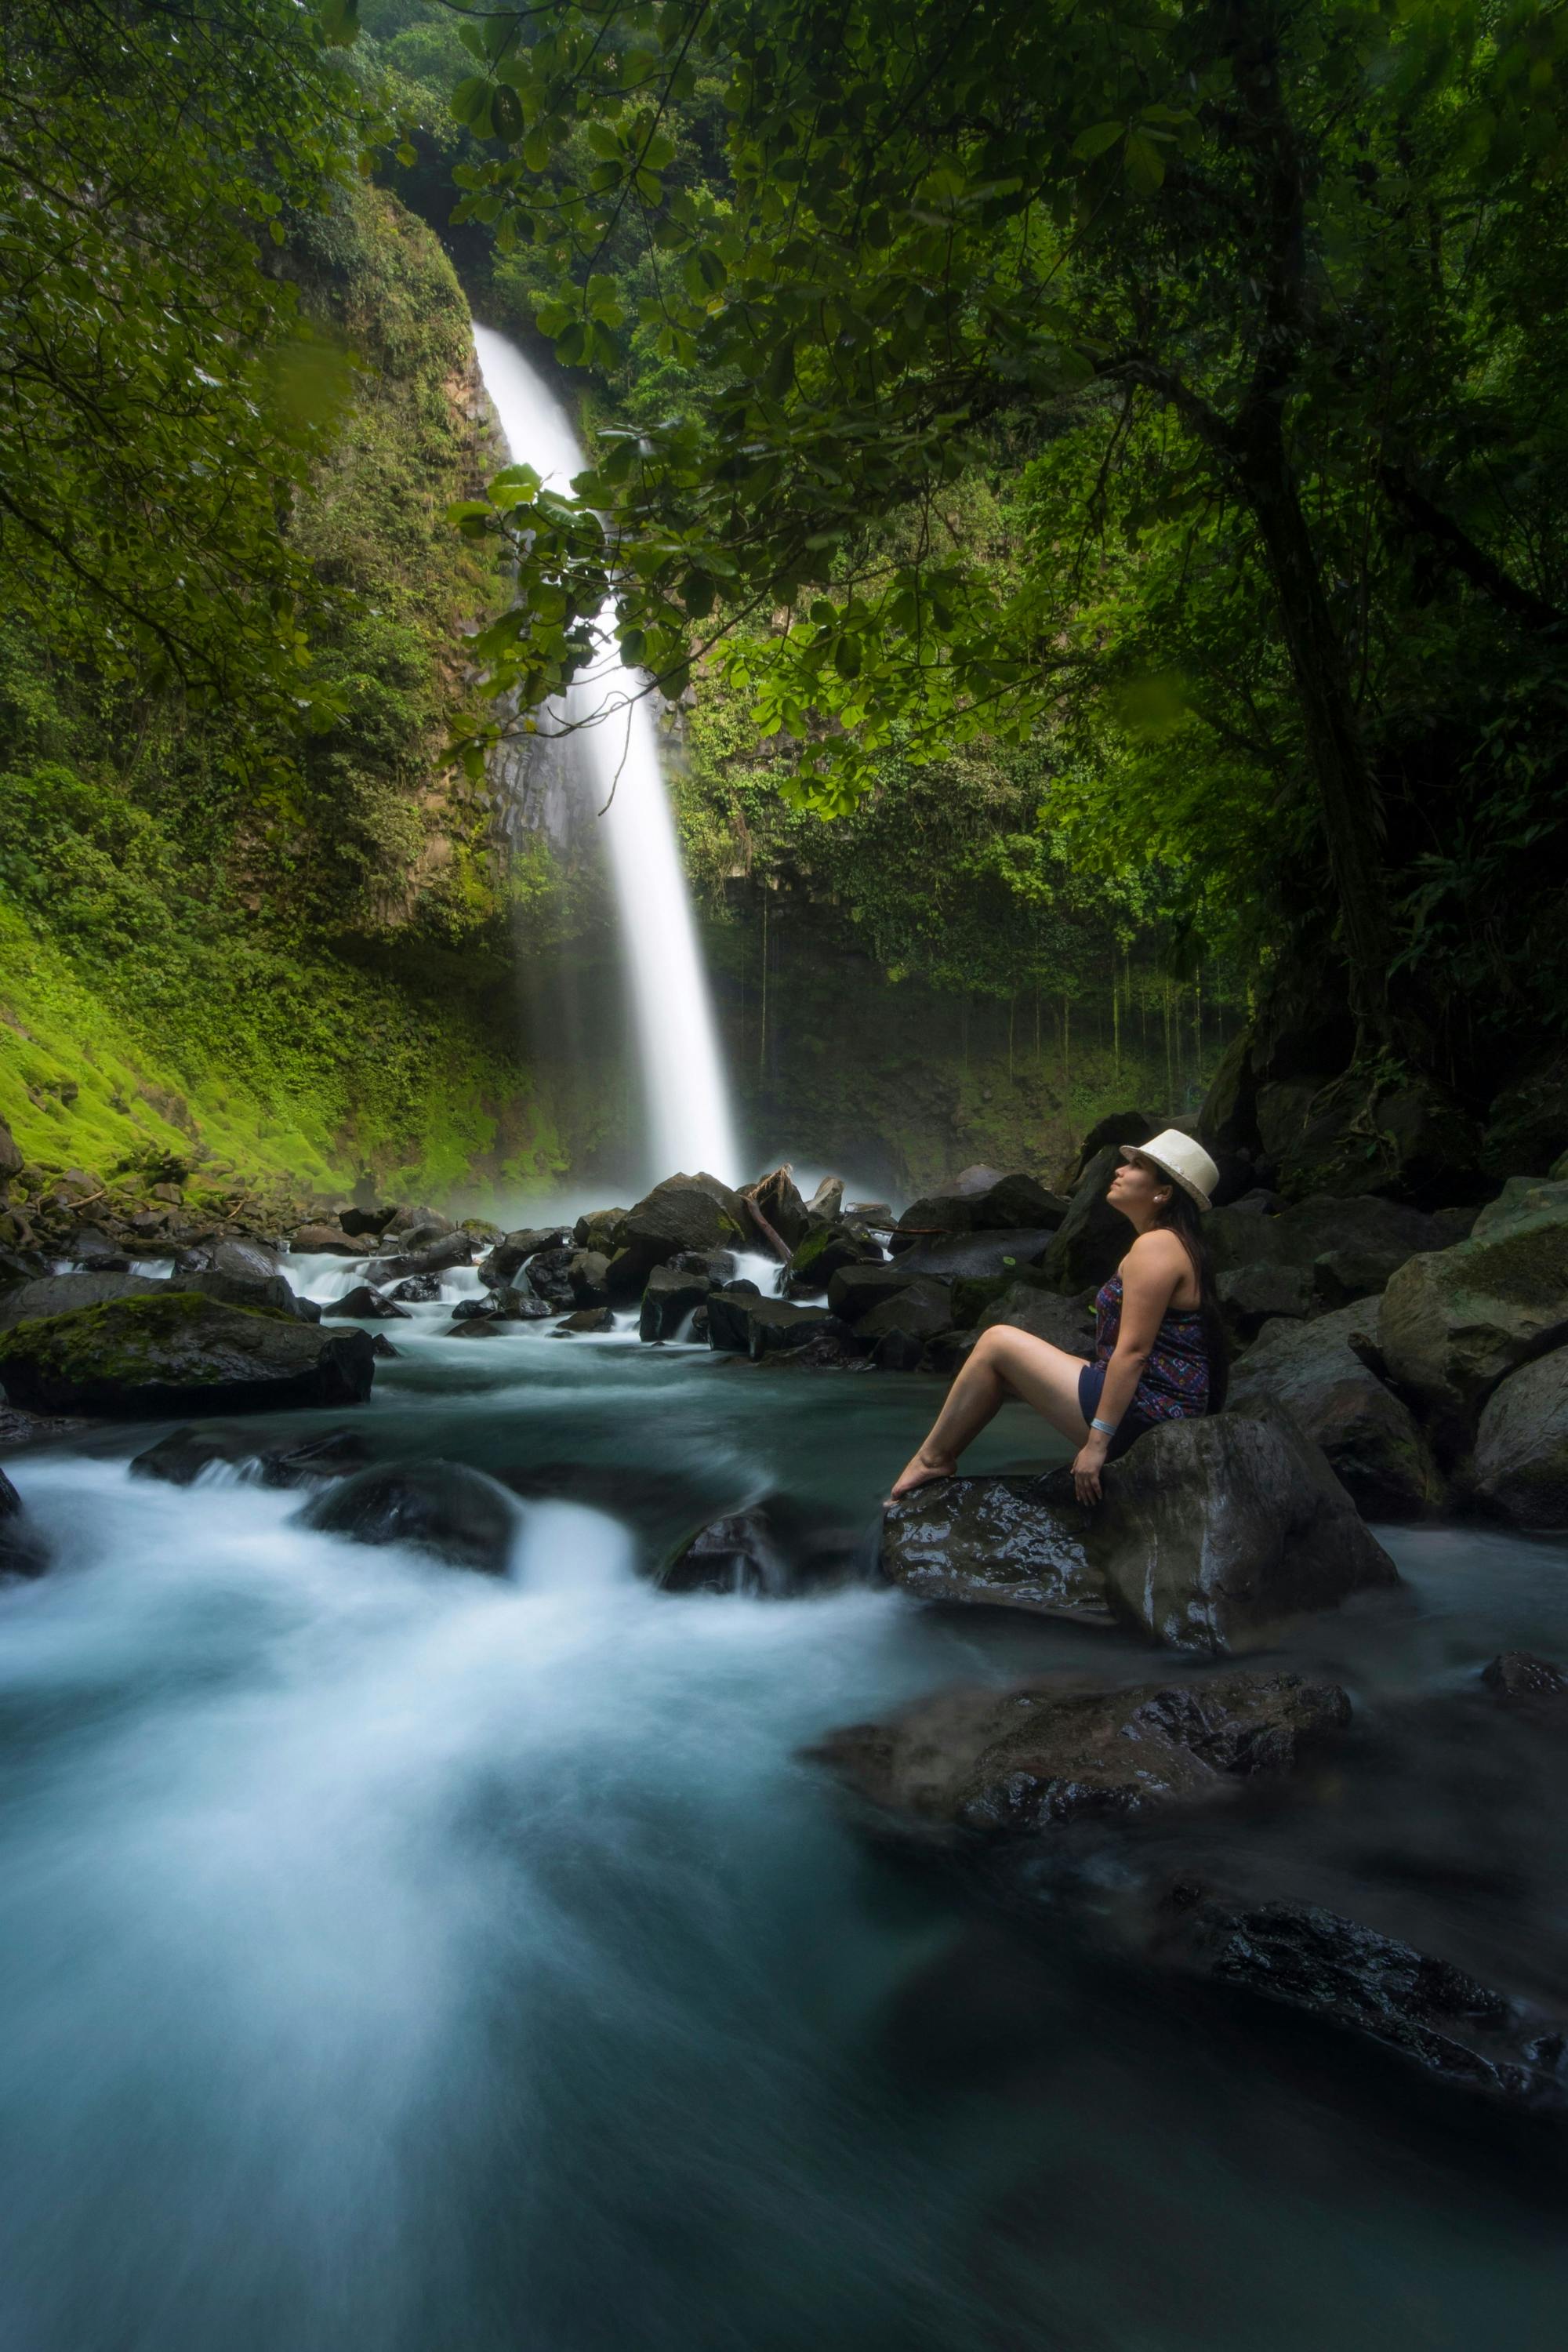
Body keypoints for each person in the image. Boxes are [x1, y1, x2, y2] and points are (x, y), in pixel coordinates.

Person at [889, 1130, 1228, 1507]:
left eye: (1136, 1165)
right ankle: (936, 1459)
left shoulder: (1158, 1246)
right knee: (1001, 1365)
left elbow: (1133, 1353)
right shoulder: (1178, 1244)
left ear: (1163, 1193)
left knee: (997, 1342)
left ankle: (932, 1460)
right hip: (1162, 1405)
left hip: (1150, 1415)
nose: (1119, 1169)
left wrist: (1097, 1444)